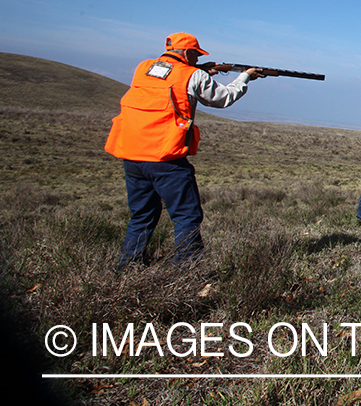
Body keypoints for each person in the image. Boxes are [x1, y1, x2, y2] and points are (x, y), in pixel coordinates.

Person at [105, 33, 266, 268]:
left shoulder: (143, 68)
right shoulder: (192, 74)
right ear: (188, 53)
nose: (196, 58)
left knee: (141, 216)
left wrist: (202, 71)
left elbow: (167, 81)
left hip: (133, 156)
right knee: (187, 216)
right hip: (166, 158)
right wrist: (245, 77)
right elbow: (223, 98)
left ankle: (127, 268)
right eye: (195, 54)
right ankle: (186, 273)